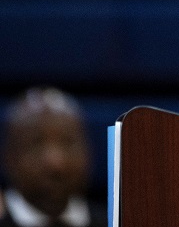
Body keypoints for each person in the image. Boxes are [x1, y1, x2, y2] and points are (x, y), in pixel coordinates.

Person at [1, 87, 107, 227]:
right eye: (36, 144)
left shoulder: (116, 222)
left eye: (68, 143)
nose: (56, 163)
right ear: (9, 157)